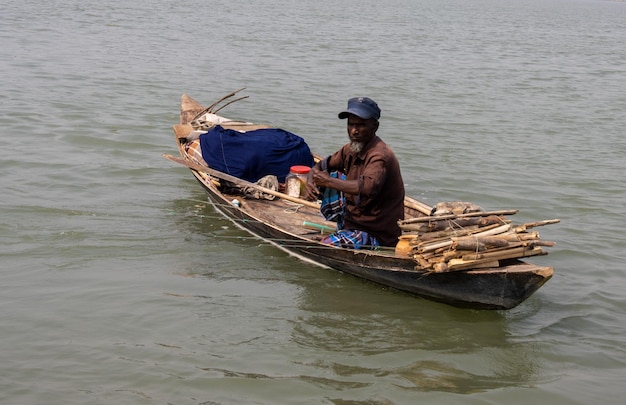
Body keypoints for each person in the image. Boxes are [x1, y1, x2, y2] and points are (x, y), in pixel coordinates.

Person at [304, 97, 405, 249]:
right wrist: (311, 180)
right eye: (351, 124)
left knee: (321, 246)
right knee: (331, 174)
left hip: (376, 232)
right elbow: (321, 166)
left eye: (361, 125)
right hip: (352, 222)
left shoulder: (380, 156)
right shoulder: (350, 149)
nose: (354, 131)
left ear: (374, 127)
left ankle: (348, 237)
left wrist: (328, 182)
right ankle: (343, 229)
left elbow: (367, 188)